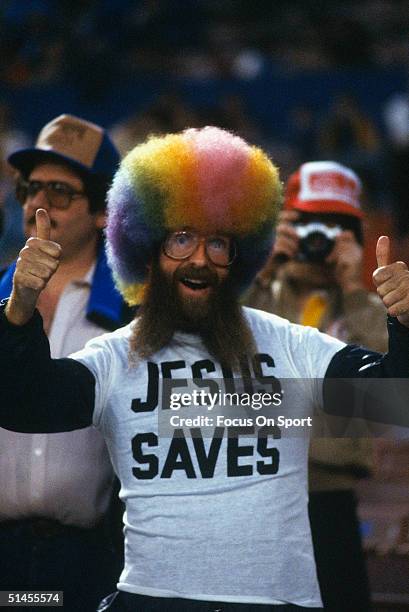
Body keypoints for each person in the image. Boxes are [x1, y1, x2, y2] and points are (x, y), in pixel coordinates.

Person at [1, 126, 409, 612]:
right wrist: (20, 310)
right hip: (152, 600)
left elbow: (392, 402)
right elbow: (25, 404)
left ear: (240, 256)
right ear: (146, 250)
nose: (200, 258)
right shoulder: (115, 356)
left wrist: (402, 322)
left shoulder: (290, 343)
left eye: (218, 243)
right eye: (180, 239)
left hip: (276, 602)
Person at [0, 114, 133, 611]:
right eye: (30, 188)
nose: (38, 203)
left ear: (102, 211)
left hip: (92, 554)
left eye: (59, 191)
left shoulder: (132, 309)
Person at [245, 161, 387, 610]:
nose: (320, 238)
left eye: (337, 227)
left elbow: (387, 396)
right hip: (253, 491)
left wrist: (353, 286)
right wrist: (261, 270)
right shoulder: (258, 294)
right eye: (308, 225)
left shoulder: (364, 306)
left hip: (330, 500)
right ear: (284, 227)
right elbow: (214, 361)